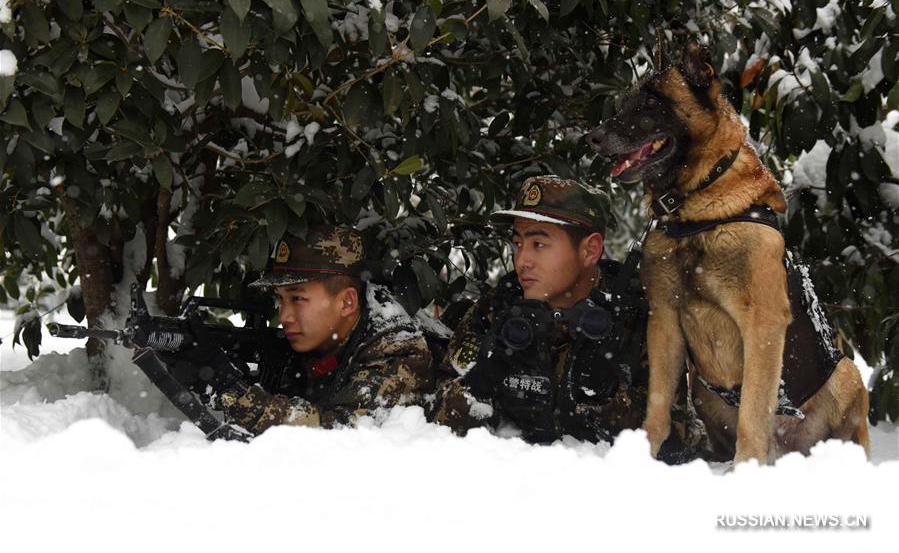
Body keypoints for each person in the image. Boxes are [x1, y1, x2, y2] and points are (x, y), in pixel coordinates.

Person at [429, 176, 705, 460]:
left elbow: (674, 441)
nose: (522, 259)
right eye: (518, 243)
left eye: (538, 244)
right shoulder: (497, 309)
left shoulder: (638, 318)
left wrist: (600, 399)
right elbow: (432, 425)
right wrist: (484, 378)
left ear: (590, 250)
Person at [218, 225, 434, 435]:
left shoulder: (397, 350)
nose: (284, 316)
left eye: (297, 298)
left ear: (347, 303)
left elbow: (342, 439)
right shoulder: (325, 334)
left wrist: (235, 393)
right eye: (280, 298)